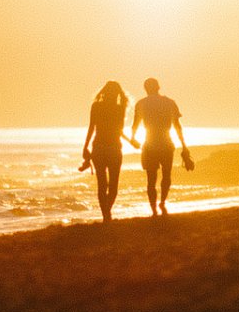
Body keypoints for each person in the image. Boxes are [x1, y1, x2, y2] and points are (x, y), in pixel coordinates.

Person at [131, 78, 192, 216]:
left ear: (145, 88)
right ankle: (163, 202)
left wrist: (133, 138)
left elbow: (135, 125)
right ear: (158, 87)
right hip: (166, 143)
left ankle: (153, 209)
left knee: (151, 179)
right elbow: (177, 126)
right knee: (166, 175)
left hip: (149, 145)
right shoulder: (170, 102)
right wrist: (184, 145)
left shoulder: (141, 104)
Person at [80, 81, 137, 223]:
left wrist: (85, 146)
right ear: (118, 94)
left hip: (98, 147)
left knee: (102, 184)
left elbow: (91, 128)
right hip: (114, 148)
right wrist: (130, 141)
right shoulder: (120, 108)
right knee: (113, 186)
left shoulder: (96, 106)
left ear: (104, 92)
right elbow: (119, 130)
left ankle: (106, 215)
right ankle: (107, 214)